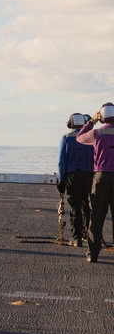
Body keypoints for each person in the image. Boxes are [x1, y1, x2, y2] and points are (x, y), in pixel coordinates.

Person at [76, 102, 114, 263]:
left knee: (97, 216)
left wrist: (91, 121)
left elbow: (79, 137)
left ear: (102, 116)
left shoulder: (97, 133)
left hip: (100, 177)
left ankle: (93, 253)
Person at [59, 113, 93, 246]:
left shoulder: (66, 138)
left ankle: (76, 238)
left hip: (72, 176)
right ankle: (87, 234)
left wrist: (61, 180)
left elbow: (62, 162)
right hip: (88, 176)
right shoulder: (90, 137)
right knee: (87, 206)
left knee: (75, 206)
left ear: (70, 124)